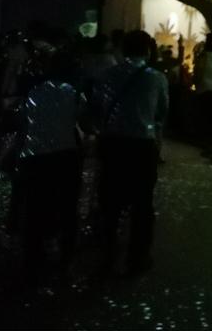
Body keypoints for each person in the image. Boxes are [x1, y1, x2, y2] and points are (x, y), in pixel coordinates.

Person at [95, 30, 168, 274]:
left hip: (113, 143)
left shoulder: (108, 75)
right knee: (142, 203)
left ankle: (107, 255)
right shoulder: (157, 78)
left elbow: (97, 106)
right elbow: (161, 112)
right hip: (142, 145)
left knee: (110, 202)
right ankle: (137, 258)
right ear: (148, 50)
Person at [16, 51, 84, 285]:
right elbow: (83, 122)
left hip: (35, 157)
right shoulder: (74, 93)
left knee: (35, 209)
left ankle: (32, 261)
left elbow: (24, 125)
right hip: (65, 155)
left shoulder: (34, 92)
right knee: (68, 209)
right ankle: (66, 260)